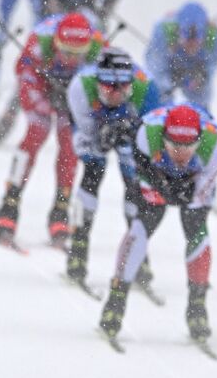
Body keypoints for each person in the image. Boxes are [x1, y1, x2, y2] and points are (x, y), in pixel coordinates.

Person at [95, 104, 217, 346]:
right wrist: (162, 185)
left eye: (189, 147)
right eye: (174, 145)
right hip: (155, 172)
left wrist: (187, 191)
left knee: (195, 225)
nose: (181, 153)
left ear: (199, 141)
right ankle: (116, 299)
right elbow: (143, 173)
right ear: (164, 137)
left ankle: (197, 305)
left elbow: (200, 194)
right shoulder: (146, 135)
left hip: (196, 179)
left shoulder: (215, 146)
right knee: (143, 223)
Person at [0, 12, 103, 245]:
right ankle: (9, 203)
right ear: (55, 43)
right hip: (42, 89)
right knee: (34, 136)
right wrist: (44, 102)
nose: (71, 59)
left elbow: (101, 89)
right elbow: (23, 76)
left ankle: (60, 208)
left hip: (72, 96)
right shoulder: (38, 43)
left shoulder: (99, 49)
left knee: (69, 145)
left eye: (78, 54)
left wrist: (76, 103)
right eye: (65, 52)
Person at [64, 50, 160, 284]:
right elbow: (84, 136)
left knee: (135, 188)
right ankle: (78, 246)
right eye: (109, 89)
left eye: (124, 89)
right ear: (98, 83)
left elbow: (152, 137)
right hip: (93, 127)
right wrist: (103, 135)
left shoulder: (147, 89)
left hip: (133, 133)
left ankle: (138, 254)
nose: (117, 95)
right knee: (92, 173)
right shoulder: (80, 88)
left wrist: (130, 134)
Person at [145, 1, 217, 112]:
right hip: (169, 65)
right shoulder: (163, 33)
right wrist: (170, 80)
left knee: (201, 98)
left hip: (196, 68)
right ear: (178, 31)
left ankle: (201, 116)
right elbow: (154, 66)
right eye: (187, 40)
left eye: (196, 41)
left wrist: (202, 76)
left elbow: (212, 67)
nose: (191, 46)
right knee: (159, 95)